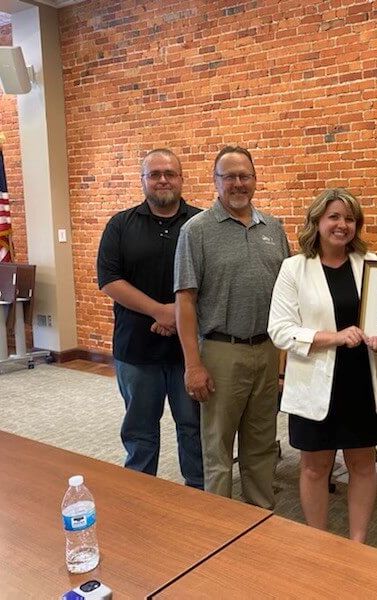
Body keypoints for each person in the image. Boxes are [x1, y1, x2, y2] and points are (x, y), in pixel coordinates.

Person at [268, 188, 377, 543]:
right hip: (314, 381)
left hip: (360, 380)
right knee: (314, 467)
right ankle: (319, 543)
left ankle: (357, 543)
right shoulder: (294, 268)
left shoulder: (371, 261)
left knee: (363, 464)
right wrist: (334, 337)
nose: (342, 225)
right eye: (334, 217)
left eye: (350, 218)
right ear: (317, 221)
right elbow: (280, 330)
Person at [174, 145, 290, 509]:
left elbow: (288, 291)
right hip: (222, 351)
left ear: (255, 180)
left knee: (262, 439)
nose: (238, 184)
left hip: (267, 349)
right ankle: (218, 525)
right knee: (218, 445)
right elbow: (186, 301)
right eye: (230, 177)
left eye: (245, 176)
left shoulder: (273, 227)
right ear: (215, 182)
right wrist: (193, 365)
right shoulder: (197, 231)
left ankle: (259, 515)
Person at [97, 148, 204, 489]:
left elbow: (214, 280)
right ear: (142, 180)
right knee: (140, 431)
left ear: (181, 179)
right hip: (136, 350)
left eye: (170, 173)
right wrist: (160, 312)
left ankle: (201, 495)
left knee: (194, 428)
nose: (162, 180)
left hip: (190, 353)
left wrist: (178, 316)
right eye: (154, 174)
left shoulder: (202, 224)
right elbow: (110, 280)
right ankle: (140, 497)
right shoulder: (120, 225)